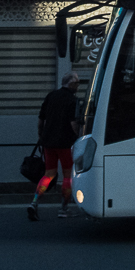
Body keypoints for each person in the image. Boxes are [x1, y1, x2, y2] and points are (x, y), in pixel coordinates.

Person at [28, 72, 82, 221]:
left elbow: (40, 120)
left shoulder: (50, 96)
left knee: (48, 174)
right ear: (71, 84)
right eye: (77, 84)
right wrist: (79, 137)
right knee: (67, 177)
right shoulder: (72, 100)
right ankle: (63, 209)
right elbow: (73, 124)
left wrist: (41, 137)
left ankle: (34, 203)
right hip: (65, 144)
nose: (78, 86)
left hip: (48, 142)